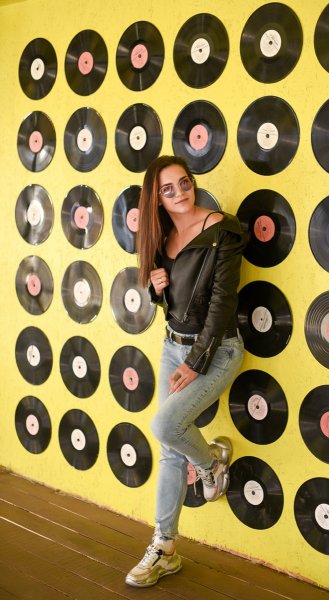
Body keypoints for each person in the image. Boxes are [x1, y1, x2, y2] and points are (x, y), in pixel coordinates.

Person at [125, 155, 244, 588]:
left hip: (218, 350)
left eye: (185, 182)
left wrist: (196, 362)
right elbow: (177, 303)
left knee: (165, 426)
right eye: (168, 189)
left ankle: (210, 464)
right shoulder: (160, 238)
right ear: (156, 198)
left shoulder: (223, 231)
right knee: (169, 449)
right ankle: (165, 548)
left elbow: (222, 304)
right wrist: (157, 291)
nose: (180, 192)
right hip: (171, 346)